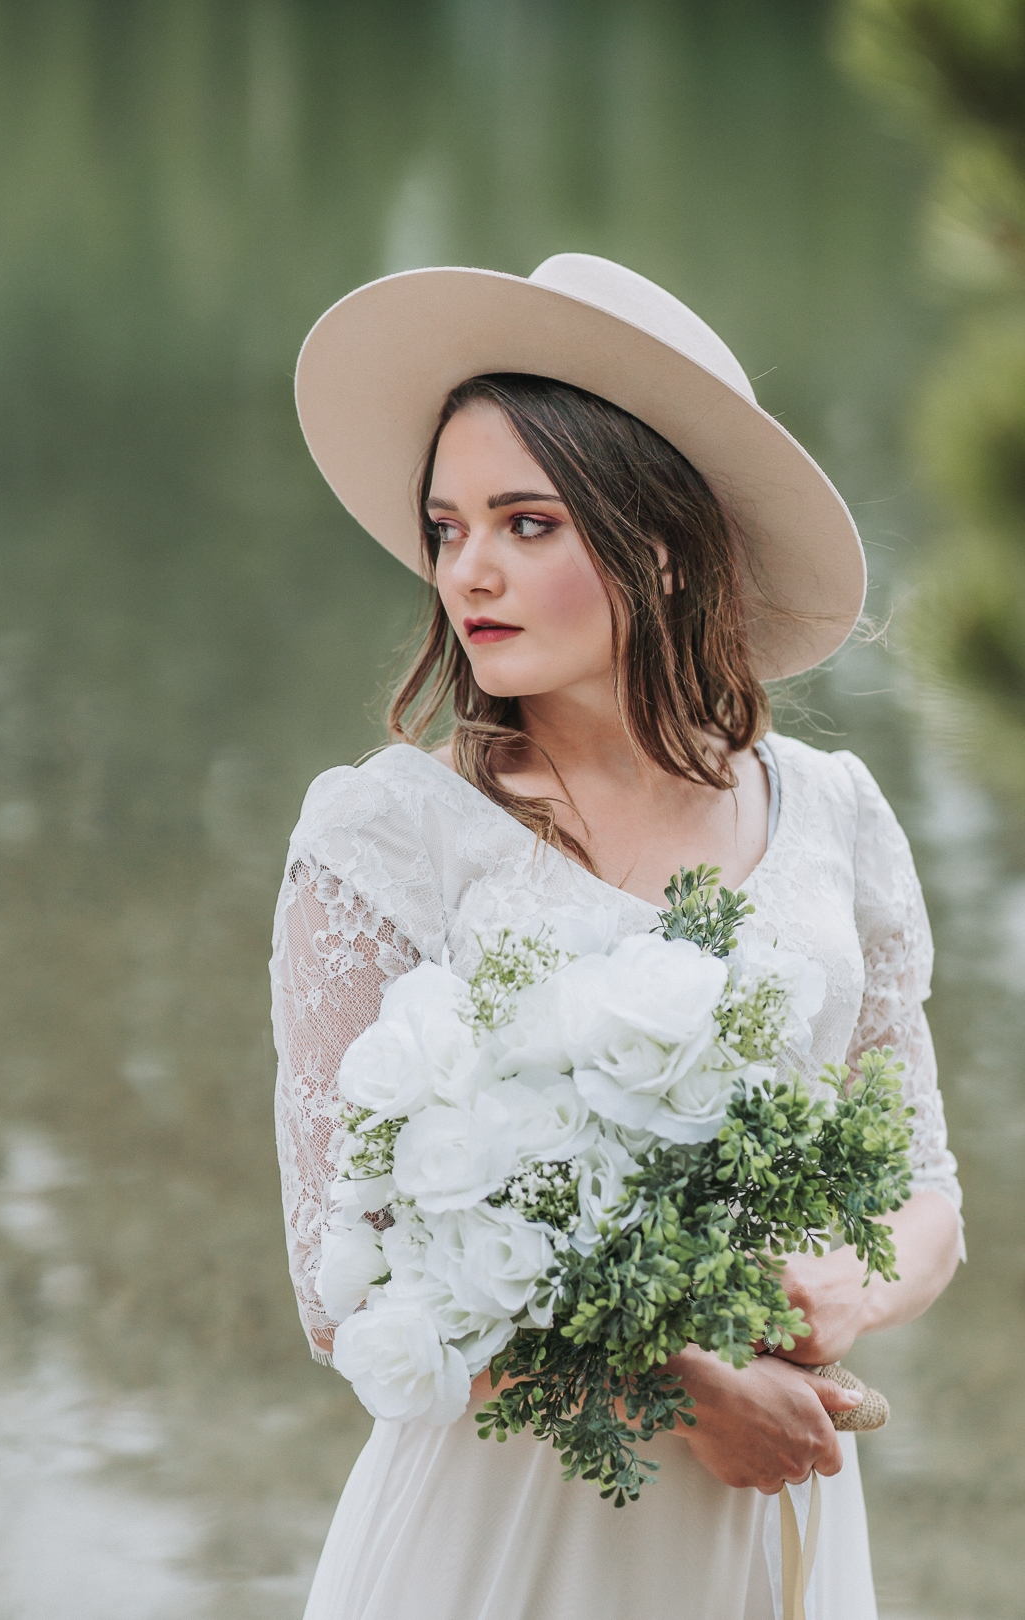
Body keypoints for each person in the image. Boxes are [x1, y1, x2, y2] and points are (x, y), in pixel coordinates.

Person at [271, 255, 962, 1619]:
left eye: (527, 523)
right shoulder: (385, 839)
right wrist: (684, 1394)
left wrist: (843, 1295)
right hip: (501, 1531)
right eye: (449, 525)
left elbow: (926, 1189)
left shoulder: (834, 816)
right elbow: (341, 1291)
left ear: (661, 541)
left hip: (778, 1509)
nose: (469, 569)